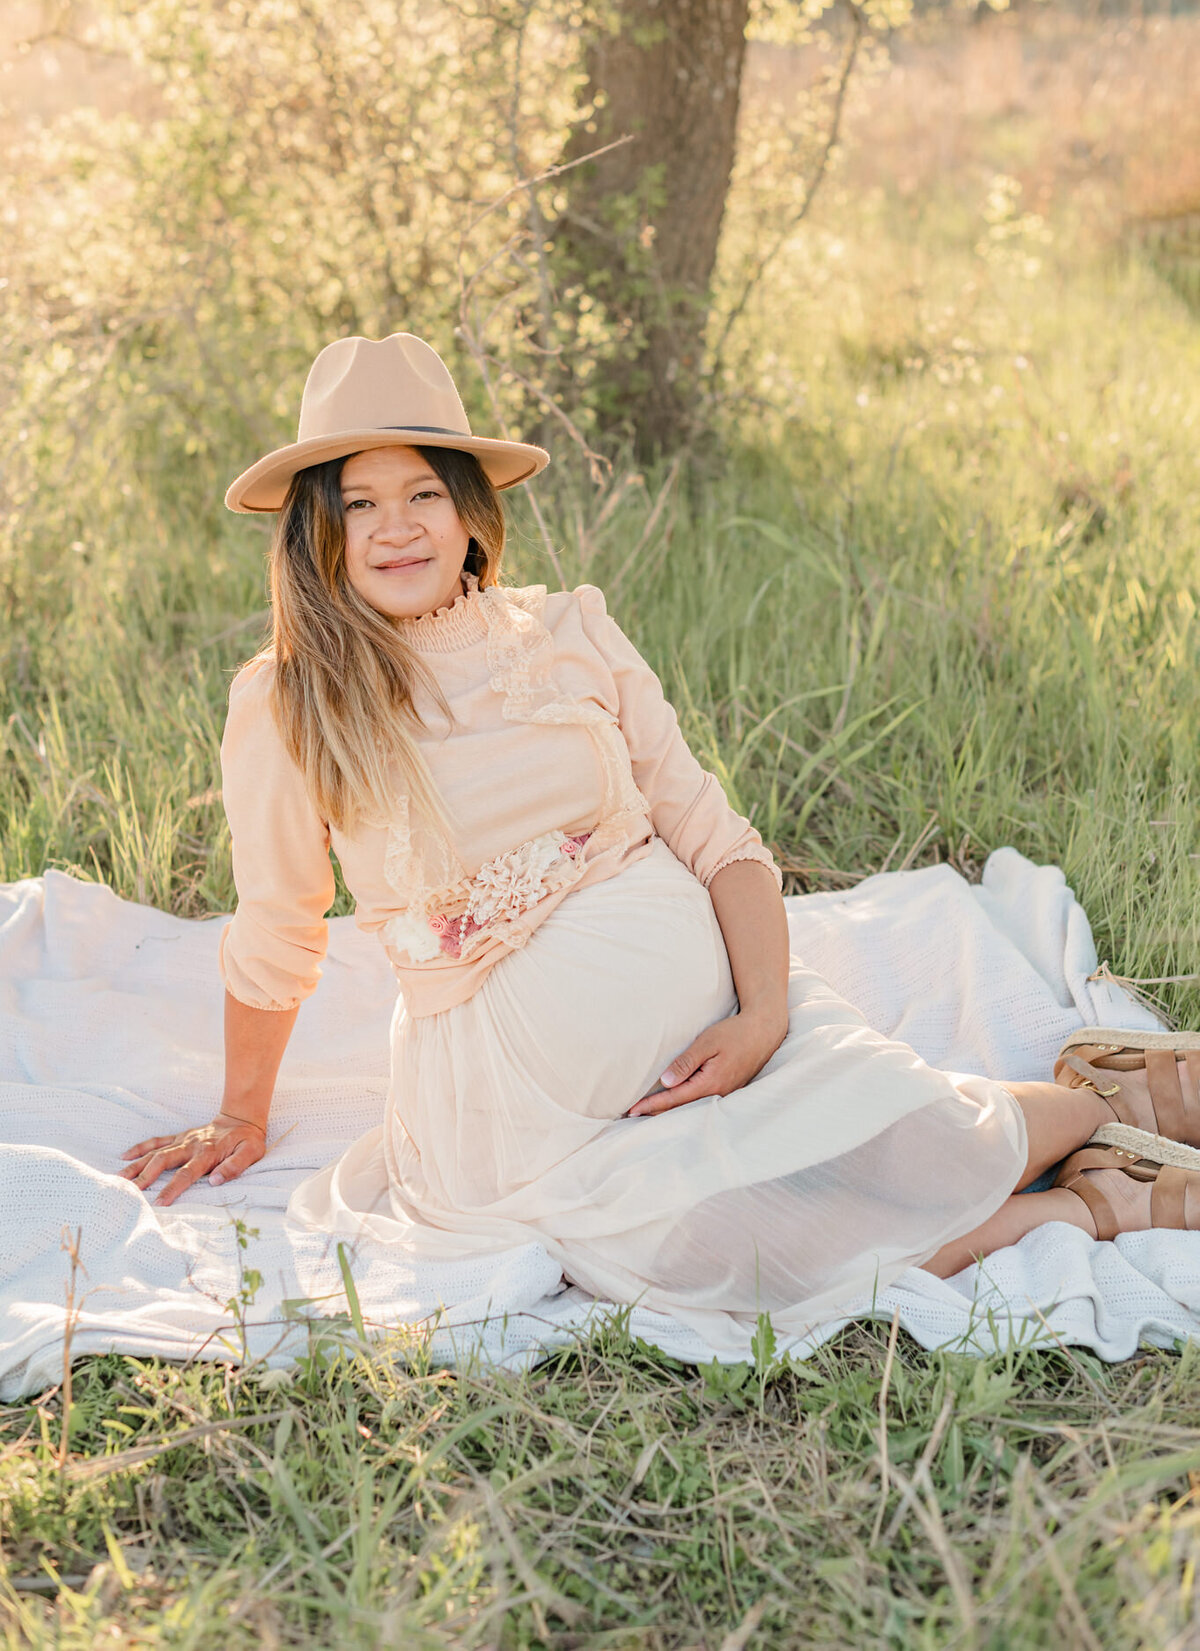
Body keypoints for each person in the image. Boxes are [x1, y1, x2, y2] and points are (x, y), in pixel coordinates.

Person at [119, 333, 1200, 1346]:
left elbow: (717, 837)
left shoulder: (571, 629)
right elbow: (277, 927)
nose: (396, 526)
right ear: (319, 530)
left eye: (422, 494)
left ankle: (1101, 1097)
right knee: (726, 1263)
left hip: (707, 1028)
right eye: (360, 503)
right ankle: (1091, 1203)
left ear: (470, 513)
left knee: (917, 1136)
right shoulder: (288, 699)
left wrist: (763, 1018)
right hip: (516, 1108)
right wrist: (237, 1113)